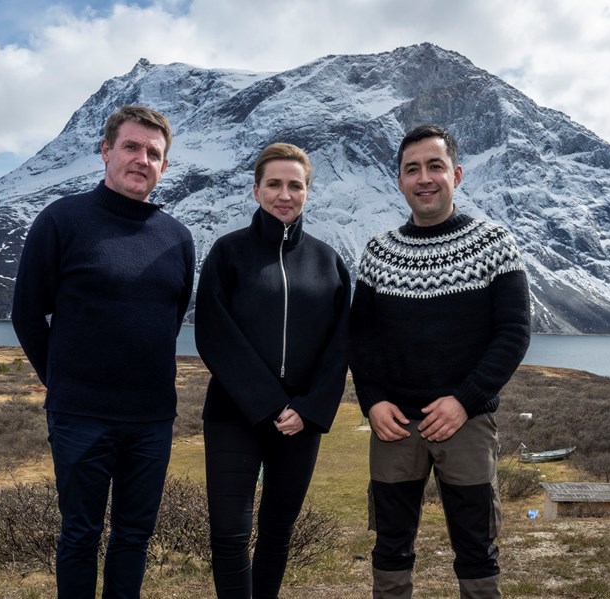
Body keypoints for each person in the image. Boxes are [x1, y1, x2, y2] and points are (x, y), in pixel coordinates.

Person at [11, 105, 195, 599]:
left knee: (135, 536)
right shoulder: (62, 220)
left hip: (151, 418)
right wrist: (63, 379)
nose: (142, 160)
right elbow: (27, 313)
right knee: (80, 534)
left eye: (154, 153)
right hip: (80, 414)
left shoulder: (177, 238)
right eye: (131, 148)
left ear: (165, 166)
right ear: (106, 151)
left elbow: (168, 318)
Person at [349, 125, 531, 599]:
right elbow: (361, 339)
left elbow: (513, 334)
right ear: (399, 181)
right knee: (390, 543)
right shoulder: (378, 252)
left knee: (475, 543)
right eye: (413, 169)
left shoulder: (494, 243)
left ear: (457, 173)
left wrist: (464, 401)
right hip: (395, 426)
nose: (424, 178)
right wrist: (372, 401)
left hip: (466, 422)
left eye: (435, 166)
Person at [194, 142, 351, 598]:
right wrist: (269, 403)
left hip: (301, 422)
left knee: (277, 532)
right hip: (233, 416)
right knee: (229, 535)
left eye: (295, 185)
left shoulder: (329, 262)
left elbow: (339, 347)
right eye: (275, 184)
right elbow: (214, 334)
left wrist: (308, 409)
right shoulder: (228, 253)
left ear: (307, 192)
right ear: (256, 189)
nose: (285, 194)